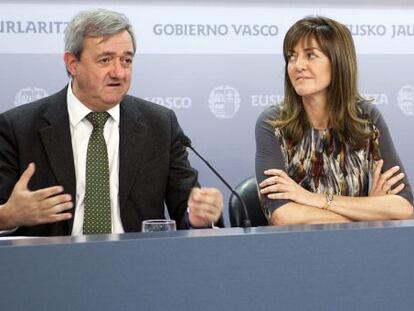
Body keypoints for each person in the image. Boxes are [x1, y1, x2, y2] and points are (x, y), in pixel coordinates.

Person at [0, 9, 223, 235]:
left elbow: (186, 210)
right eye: (105, 60)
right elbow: (5, 213)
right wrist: (8, 215)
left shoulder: (160, 124)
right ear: (72, 63)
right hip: (52, 264)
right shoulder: (18, 128)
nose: (118, 73)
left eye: (126, 60)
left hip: (137, 262)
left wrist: (197, 217)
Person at [255, 16, 413, 226]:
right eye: (291, 57)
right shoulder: (274, 124)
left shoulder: (366, 119)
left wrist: (312, 199)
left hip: (362, 249)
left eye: (310, 55)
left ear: (338, 61)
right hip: (297, 251)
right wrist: (370, 209)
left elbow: (404, 207)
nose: (298, 65)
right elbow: (283, 216)